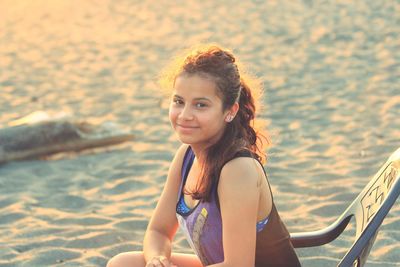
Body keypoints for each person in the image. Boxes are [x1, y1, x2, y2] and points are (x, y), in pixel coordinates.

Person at [107, 45, 301, 267]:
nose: (185, 115)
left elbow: (238, 265)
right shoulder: (186, 157)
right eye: (179, 101)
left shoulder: (238, 169)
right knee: (124, 263)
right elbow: (158, 231)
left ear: (230, 111)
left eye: (201, 105)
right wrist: (157, 259)